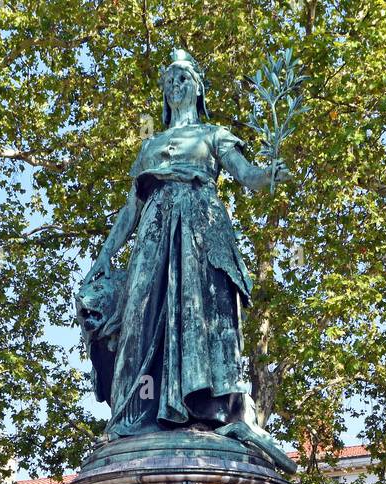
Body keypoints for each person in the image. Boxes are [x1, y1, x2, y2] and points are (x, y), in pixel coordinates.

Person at [76, 49, 292, 460]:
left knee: (203, 318)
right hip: (154, 236)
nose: (177, 85)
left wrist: (268, 176)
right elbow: (130, 210)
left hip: (200, 231)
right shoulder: (150, 146)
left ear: (198, 86)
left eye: (184, 78)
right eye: (170, 80)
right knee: (140, 316)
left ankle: (207, 406)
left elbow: (246, 174)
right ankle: (140, 409)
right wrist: (105, 254)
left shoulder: (213, 135)